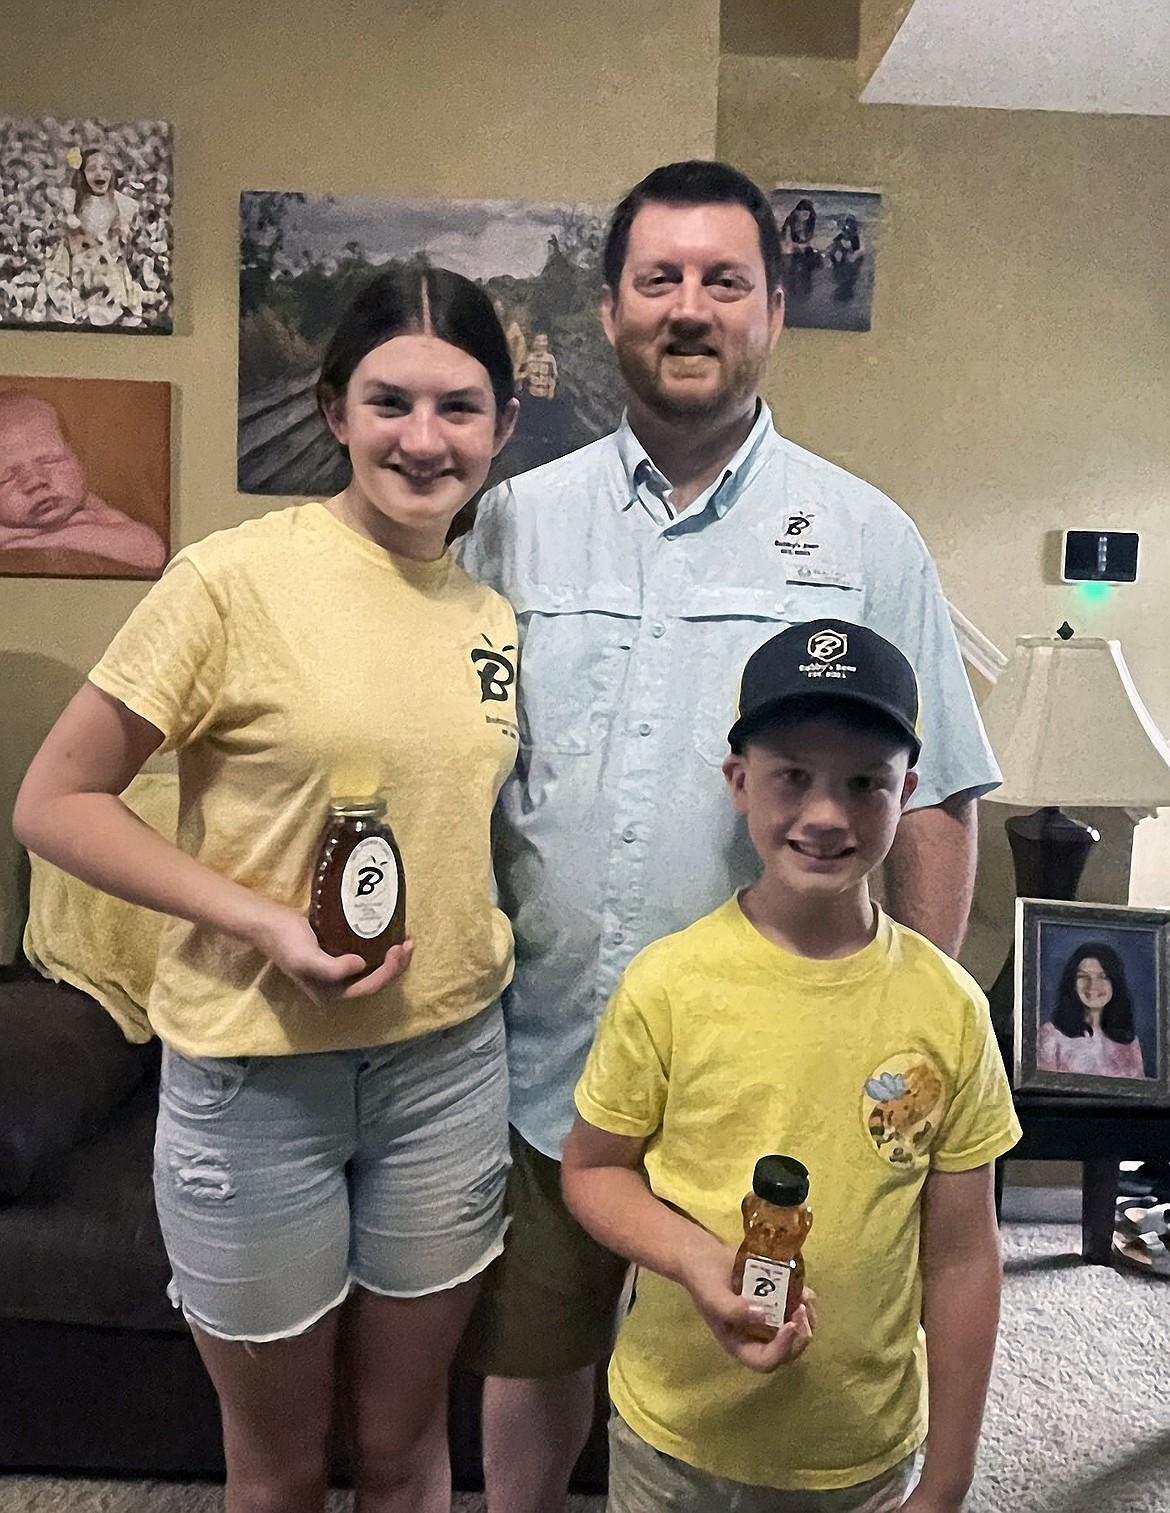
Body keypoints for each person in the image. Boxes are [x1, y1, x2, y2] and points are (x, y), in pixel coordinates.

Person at [456, 160, 1000, 1513]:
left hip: (779, 1079)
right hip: (550, 1055)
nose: (687, 307)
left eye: (722, 280)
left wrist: (899, 1023)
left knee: (770, 1370)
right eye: (658, 279)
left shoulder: (866, 536)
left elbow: (934, 797)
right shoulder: (516, 523)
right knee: (534, 1364)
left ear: (771, 310)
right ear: (609, 308)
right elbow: (452, 759)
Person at [14, 264, 521, 1513]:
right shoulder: (229, 581)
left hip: (446, 1068)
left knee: (408, 1454)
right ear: (335, 409)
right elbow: (54, 801)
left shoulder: (491, 612)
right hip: (255, 1077)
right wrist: (259, 920)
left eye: (458, 407)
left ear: (502, 426)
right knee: (281, 1466)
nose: (423, 437)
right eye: (389, 401)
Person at [563, 619, 1021, 1511]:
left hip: (858, 1453)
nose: (826, 813)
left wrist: (951, 1476)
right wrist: (696, 1259)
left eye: (864, 782)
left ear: (907, 792)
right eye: (792, 777)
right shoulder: (670, 982)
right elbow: (592, 1170)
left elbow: (965, 1254)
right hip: (674, 1440)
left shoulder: (948, 1006)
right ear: (740, 782)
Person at [0, 390, 167, 571]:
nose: (35, 482)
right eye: (5, 478)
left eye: (51, 460)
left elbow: (152, 552)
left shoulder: (90, 509)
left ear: (78, 459)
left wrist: (43, 540)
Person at [39, 145, 161, 327]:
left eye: (105, 168)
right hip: (78, 263)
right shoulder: (74, 200)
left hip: (108, 265)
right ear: (83, 174)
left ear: (112, 173)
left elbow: (122, 247)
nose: (99, 173)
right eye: (91, 168)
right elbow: (74, 240)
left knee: (112, 283)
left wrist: (111, 246)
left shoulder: (123, 204)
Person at [1037, 942, 1147, 1078]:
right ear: (1071, 982)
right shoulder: (1051, 1036)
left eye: (1103, 976)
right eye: (1082, 976)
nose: (1092, 985)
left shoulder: (1129, 1042)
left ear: (1115, 983)